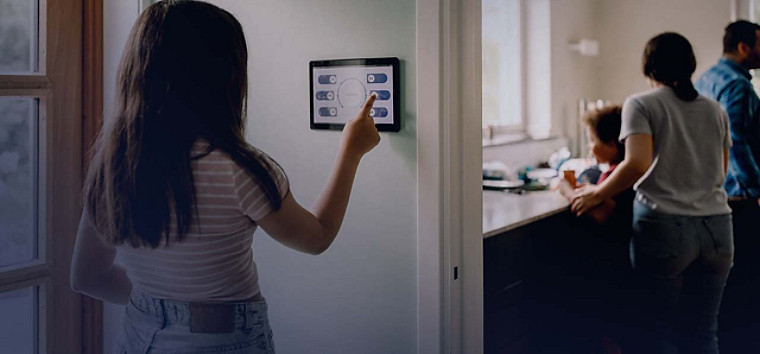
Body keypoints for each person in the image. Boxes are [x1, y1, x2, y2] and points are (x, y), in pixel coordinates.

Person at [69, 1, 380, 353]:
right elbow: (316, 237)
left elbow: (87, 278)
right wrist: (351, 151)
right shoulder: (239, 170)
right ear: (226, 78)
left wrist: (164, 309)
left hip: (141, 336)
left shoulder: (111, 169)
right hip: (223, 339)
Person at [571, 32, 733, 354]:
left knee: (656, 334)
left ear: (649, 67)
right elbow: (721, 171)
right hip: (717, 228)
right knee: (704, 333)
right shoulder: (715, 110)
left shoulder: (641, 104)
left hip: (666, 228)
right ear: (690, 65)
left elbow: (637, 164)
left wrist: (597, 193)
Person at [695, 20, 760, 352]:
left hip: (712, 190)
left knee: (723, 288)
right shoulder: (737, 85)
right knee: (746, 283)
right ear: (744, 47)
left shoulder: (705, 79)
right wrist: (756, 188)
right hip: (740, 194)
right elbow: (736, 141)